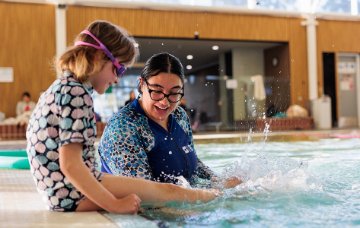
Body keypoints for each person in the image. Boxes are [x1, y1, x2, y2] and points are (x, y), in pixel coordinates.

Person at [26, 21, 218, 214]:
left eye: (174, 93)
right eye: (118, 69)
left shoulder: (64, 87)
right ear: (99, 58)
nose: (117, 79)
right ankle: (218, 199)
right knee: (168, 192)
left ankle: (217, 194)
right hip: (70, 195)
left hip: (60, 192)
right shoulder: (77, 94)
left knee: (170, 193)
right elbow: (71, 164)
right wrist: (114, 204)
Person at [99, 52, 241, 188]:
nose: (164, 102)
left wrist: (218, 181)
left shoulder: (179, 115)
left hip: (184, 201)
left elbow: (191, 160)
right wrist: (203, 197)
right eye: (157, 91)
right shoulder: (123, 127)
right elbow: (143, 193)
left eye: (174, 93)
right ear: (142, 84)